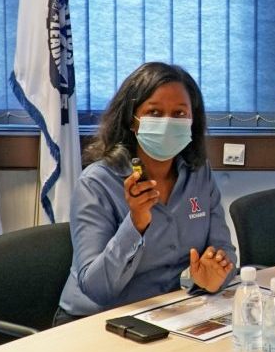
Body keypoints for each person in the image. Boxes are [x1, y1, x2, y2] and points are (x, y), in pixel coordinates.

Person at [55, 62, 235, 323]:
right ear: (132, 120)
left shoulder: (198, 172)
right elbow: (96, 289)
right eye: (154, 112)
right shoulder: (97, 183)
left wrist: (214, 275)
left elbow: (225, 252)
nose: (167, 123)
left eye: (179, 113)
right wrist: (135, 224)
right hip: (98, 319)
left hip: (172, 311)